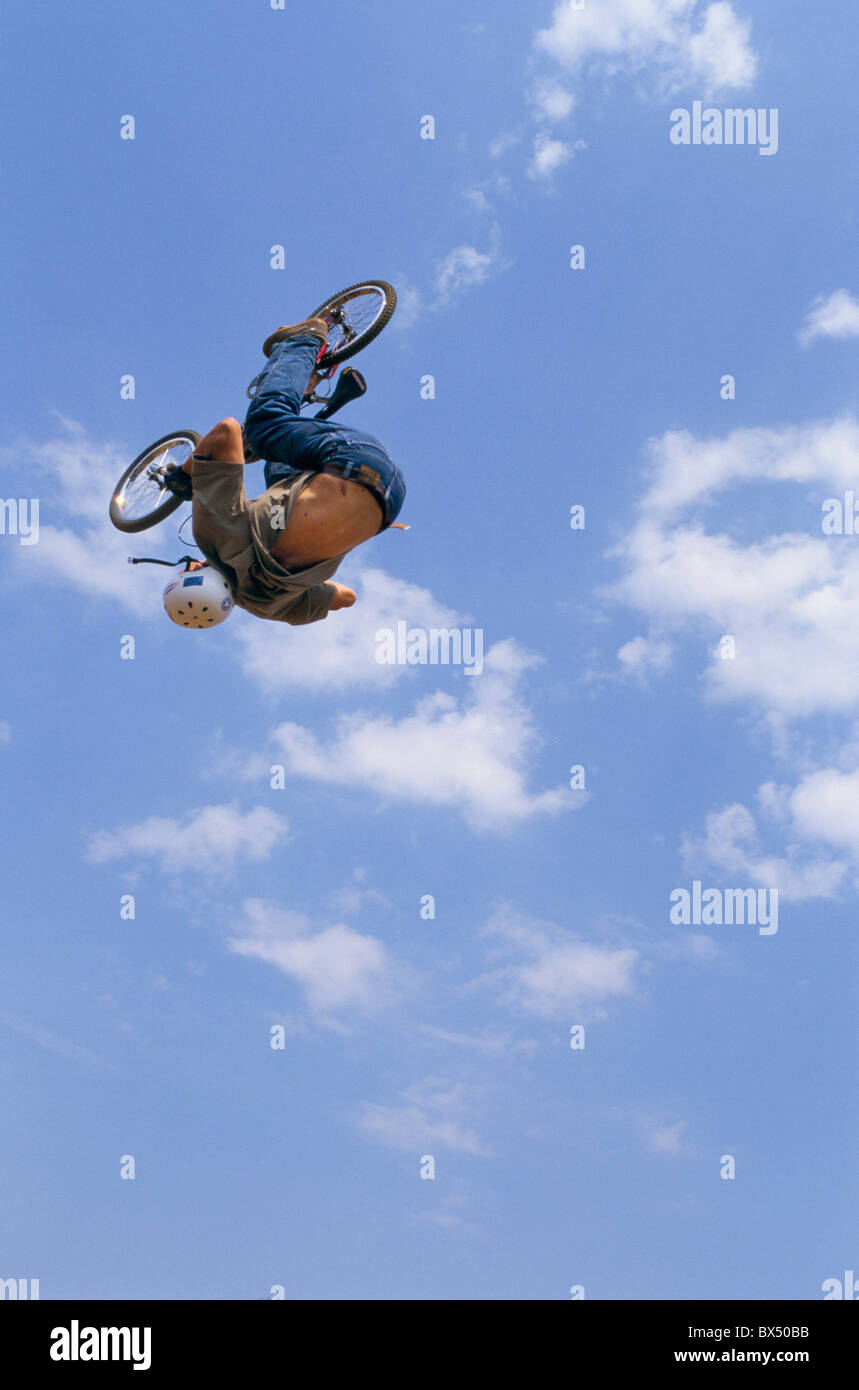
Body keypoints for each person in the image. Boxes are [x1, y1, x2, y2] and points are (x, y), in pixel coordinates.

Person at [166, 319, 406, 625]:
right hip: (351, 457)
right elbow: (226, 431)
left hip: (389, 502)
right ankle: (304, 341)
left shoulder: (270, 607)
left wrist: (301, 586)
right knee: (264, 425)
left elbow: (347, 597)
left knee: (280, 491)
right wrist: (186, 477)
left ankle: (303, 404)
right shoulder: (215, 537)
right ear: (190, 571)